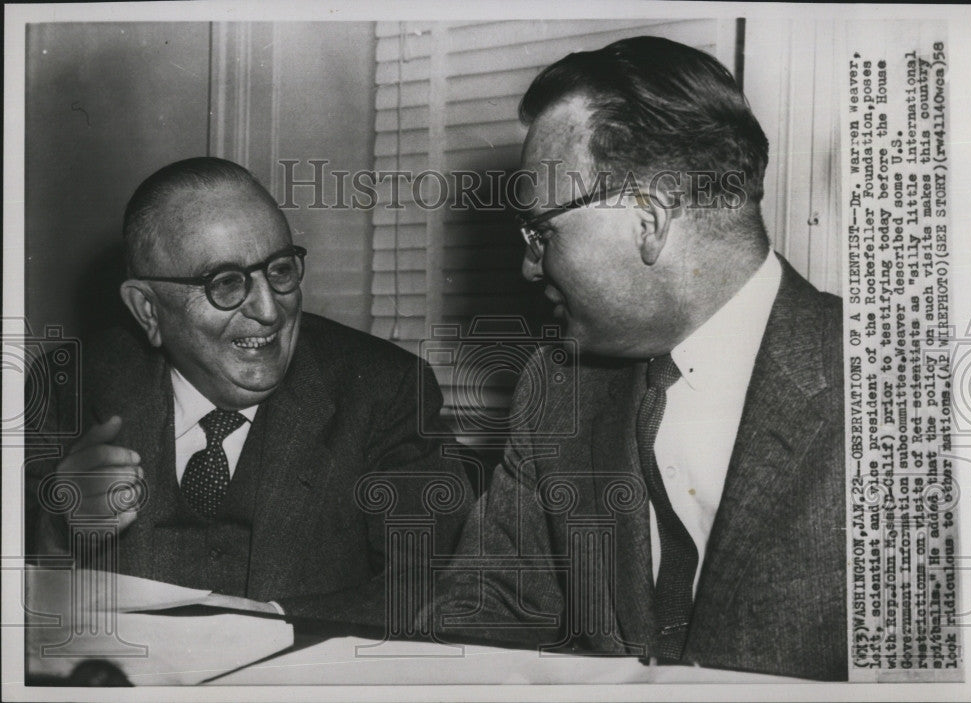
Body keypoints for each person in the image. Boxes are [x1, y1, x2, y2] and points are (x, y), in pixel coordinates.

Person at [431, 36, 845, 680]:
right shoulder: (556, 386)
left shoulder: (891, 390)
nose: (527, 265)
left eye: (541, 232)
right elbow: (485, 616)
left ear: (648, 222)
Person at [26, 157, 471, 624]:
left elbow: (434, 585)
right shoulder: (69, 385)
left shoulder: (385, 391)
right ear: (148, 311)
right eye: (225, 283)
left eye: (279, 270)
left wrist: (270, 624)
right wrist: (61, 529)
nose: (269, 311)